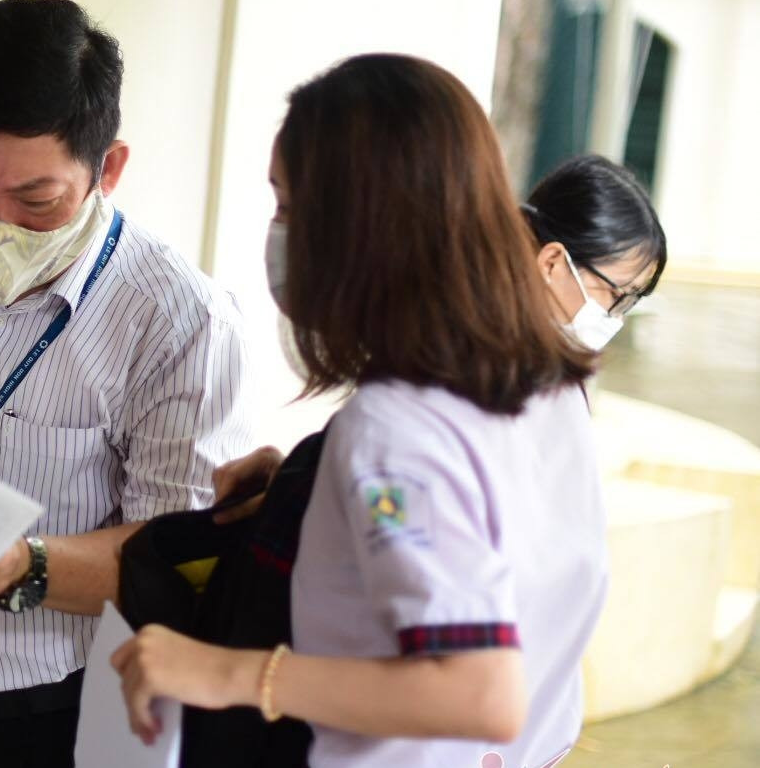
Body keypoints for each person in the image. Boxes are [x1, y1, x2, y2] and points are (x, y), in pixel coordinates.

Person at [111, 53, 608, 768]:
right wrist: (315, 493)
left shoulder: (393, 435)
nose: (278, 232)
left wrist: (224, 672)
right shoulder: (546, 381)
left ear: (357, 229)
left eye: (287, 205)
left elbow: (478, 693)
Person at [0, 0, 254, 768]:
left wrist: (23, 565)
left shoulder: (179, 320)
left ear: (107, 168)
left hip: (70, 728)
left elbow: (181, 571)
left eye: (36, 200)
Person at [524, 154, 668, 351]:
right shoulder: (483, 363)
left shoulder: (551, 362)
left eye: (629, 301)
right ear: (551, 263)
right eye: (616, 296)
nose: (618, 319)